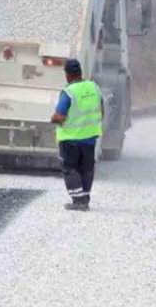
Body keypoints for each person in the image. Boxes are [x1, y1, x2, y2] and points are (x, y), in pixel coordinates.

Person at [51, 59, 103, 211]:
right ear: (80, 72)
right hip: (90, 139)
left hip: (70, 139)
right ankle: (85, 199)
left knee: (70, 168)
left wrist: (52, 119)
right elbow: (102, 111)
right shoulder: (94, 87)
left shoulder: (69, 92)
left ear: (67, 75)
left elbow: (60, 116)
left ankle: (78, 201)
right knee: (86, 169)